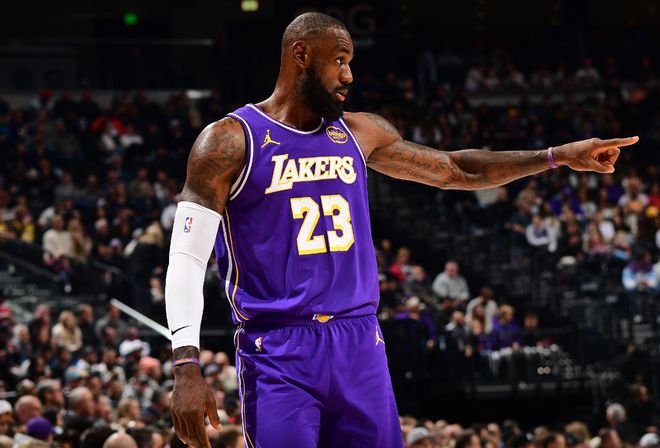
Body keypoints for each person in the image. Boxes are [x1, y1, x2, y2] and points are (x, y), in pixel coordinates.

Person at [165, 12, 638, 448]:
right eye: (340, 60)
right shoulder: (230, 141)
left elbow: (456, 169)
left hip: (360, 342)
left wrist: (555, 156)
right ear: (301, 55)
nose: (349, 76)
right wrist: (186, 364)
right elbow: (186, 259)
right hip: (278, 347)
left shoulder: (359, 133)